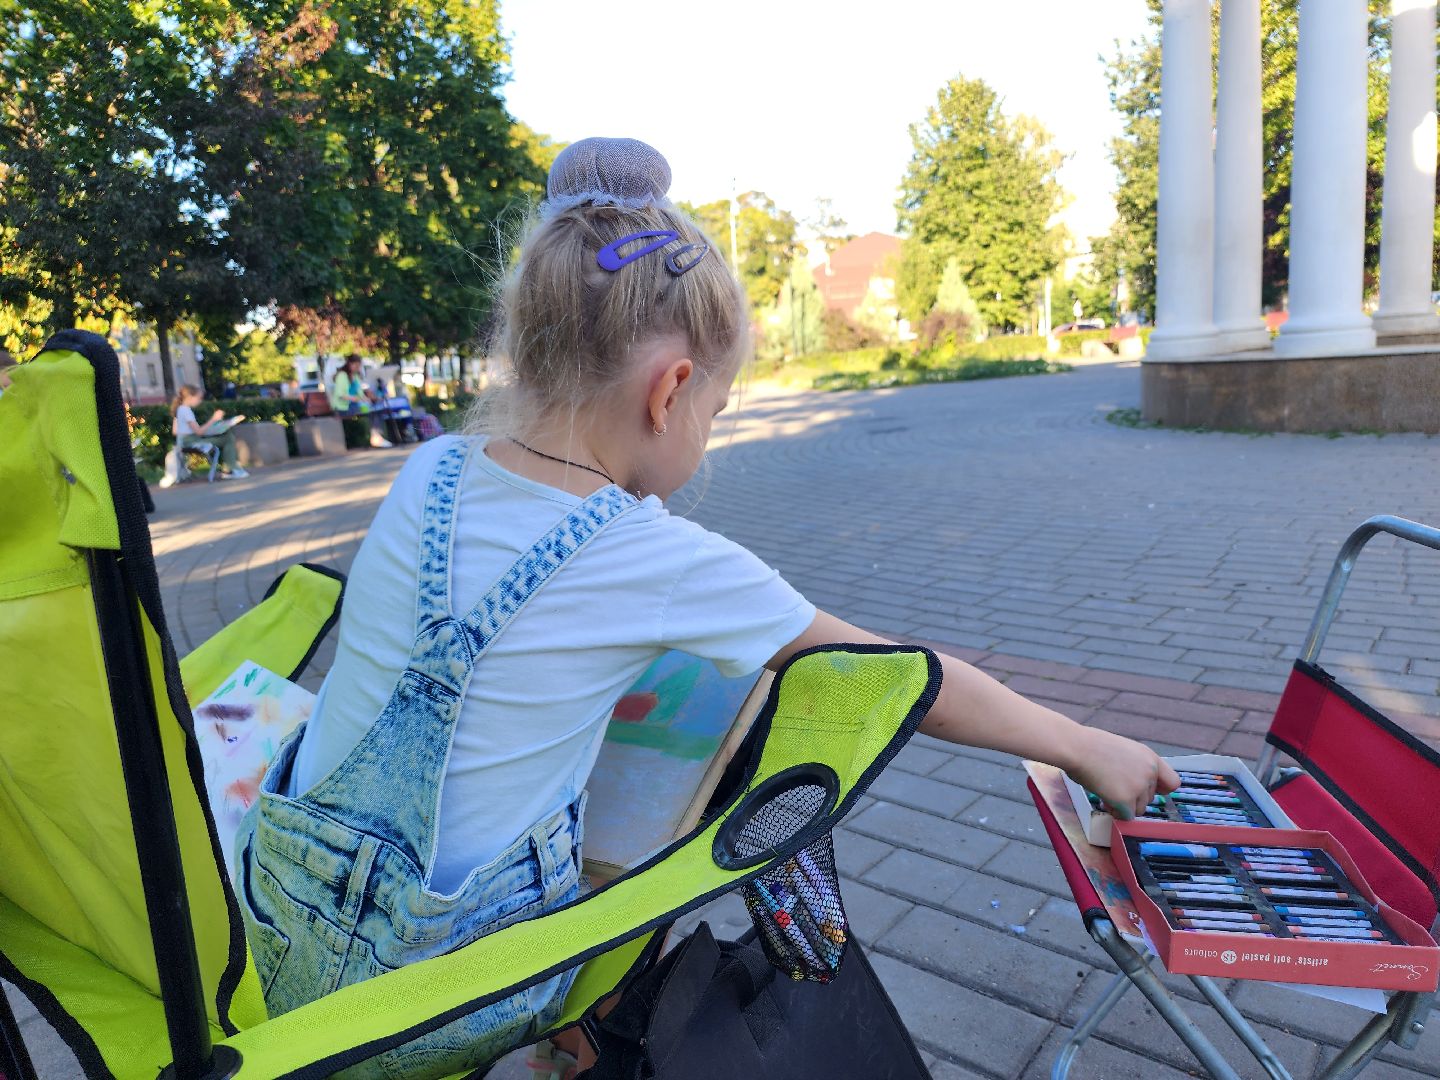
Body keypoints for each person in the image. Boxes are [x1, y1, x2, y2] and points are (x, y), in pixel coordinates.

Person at [235, 137, 1178, 1080]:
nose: (711, 432)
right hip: (426, 993)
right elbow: (897, 678)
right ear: (672, 390)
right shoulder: (650, 553)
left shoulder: (427, 469)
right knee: (660, 831)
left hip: (274, 931)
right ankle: (571, 1042)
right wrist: (1090, 748)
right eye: (718, 412)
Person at [172, 385, 248, 480]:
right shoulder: (186, 411)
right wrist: (214, 419)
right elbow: (199, 432)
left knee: (227, 436)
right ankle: (232, 470)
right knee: (228, 438)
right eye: (199, 398)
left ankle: (230, 470)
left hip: (185, 442)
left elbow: (176, 431)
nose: (200, 401)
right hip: (192, 442)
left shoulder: (180, 409)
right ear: (190, 397)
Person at [330, 354, 393, 448]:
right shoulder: (342, 375)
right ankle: (376, 438)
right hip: (343, 407)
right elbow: (340, 395)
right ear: (349, 364)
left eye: (358, 366)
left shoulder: (355, 376)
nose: (357, 368)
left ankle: (377, 437)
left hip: (353, 405)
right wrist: (356, 399)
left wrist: (369, 398)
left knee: (377, 411)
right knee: (372, 412)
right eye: (355, 365)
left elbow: (360, 394)